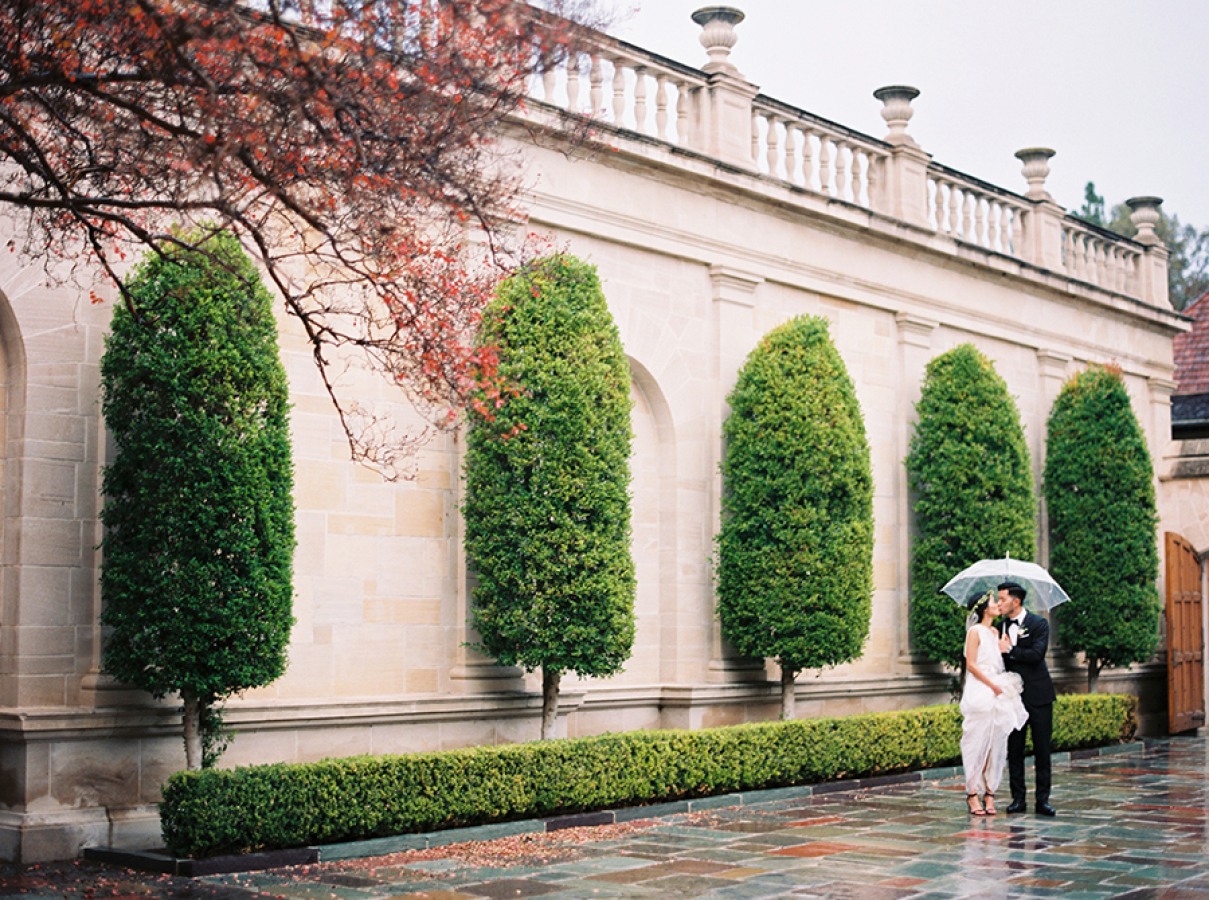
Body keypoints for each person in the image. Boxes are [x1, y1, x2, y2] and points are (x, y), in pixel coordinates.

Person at [959, 589, 1027, 815]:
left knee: (996, 743)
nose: (998, 604)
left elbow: (996, 661)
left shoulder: (996, 631)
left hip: (997, 688)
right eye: (993, 601)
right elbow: (971, 664)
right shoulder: (975, 632)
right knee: (977, 742)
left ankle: (990, 793)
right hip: (981, 689)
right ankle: (972, 795)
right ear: (983, 607)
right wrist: (991, 685)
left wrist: (1005, 647)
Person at [998, 580, 1057, 816]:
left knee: (1042, 750)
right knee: (1015, 749)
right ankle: (1017, 799)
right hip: (1013, 698)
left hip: (1039, 695)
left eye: (1003, 599)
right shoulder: (1000, 626)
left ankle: (1042, 800)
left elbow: (1036, 655)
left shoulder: (1039, 624)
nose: (1000, 603)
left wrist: (1010, 650)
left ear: (1016, 601)